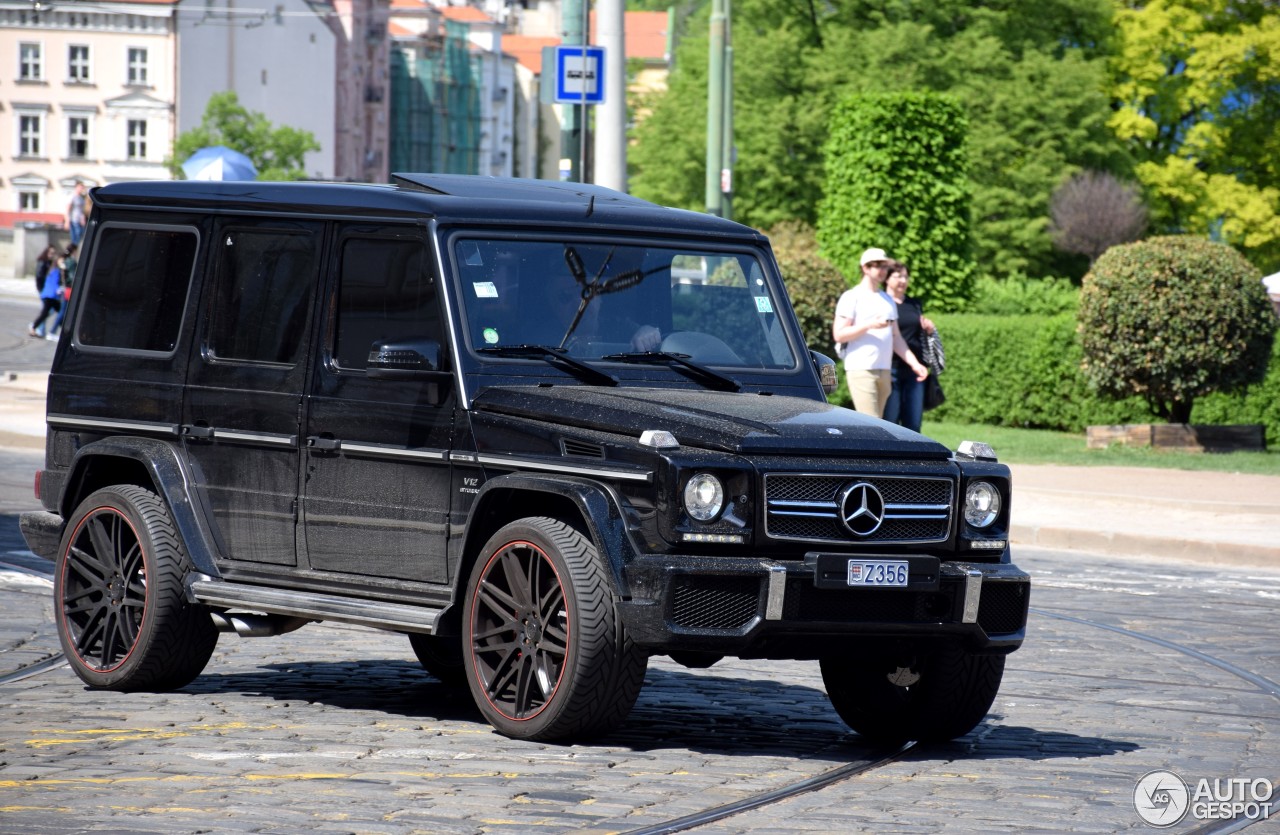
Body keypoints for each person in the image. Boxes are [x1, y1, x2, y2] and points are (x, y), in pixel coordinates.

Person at [831, 247, 929, 418]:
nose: (883, 270)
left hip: (884, 370)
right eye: (878, 266)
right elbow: (839, 334)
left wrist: (915, 364)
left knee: (880, 426)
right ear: (865, 268)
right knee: (872, 422)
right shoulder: (852, 296)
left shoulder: (887, 299)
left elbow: (896, 337)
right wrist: (869, 325)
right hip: (861, 368)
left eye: (885, 266)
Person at [881, 261, 936, 433]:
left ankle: (913, 459)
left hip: (915, 369)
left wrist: (928, 329)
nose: (903, 280)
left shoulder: (914, 304)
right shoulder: (882, 302)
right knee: (890, 419)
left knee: (913, 422)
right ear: (887, 279)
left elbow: (917, 331)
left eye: (906, 276)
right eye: (898, 276)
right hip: (891, 368)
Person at [47, 244, 79, 340]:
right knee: (64, 313)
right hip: (70, 289)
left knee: (63, 312)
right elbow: (73, 277)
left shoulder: (65, 261)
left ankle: (56, 331)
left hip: (65, 289)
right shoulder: (72, 262)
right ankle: (53, 331)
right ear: (74, 251)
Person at [30, 257, 63, 338]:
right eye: (61, 261)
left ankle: (35, 327)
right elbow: (55, 283)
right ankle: (34, 327)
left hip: (47, 295)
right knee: (60, 312)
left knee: (56, 312)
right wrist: (58, 290)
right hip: (50, 296)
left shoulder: (51, 270)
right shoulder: (56, 271)